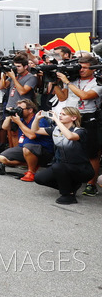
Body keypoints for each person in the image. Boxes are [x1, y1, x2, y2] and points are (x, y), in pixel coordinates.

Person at [53, 54, 102, 196]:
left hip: (88, 119)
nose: (81, 70)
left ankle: (91, 184)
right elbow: (62, 98)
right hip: (70, 119)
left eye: (85, 68)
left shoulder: (98, 83)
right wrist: (55, 83)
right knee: (68, 149)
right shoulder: (73, 79)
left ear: (93, 69)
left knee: (92, 153)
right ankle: (70, 179)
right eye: (80, 67)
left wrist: (67, 82)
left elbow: (85, 96)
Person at [34, 107, 95, 204]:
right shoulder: (56, 129)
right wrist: (36, 119)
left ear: (73, 118)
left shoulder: (80, 131)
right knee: (39, 178)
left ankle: (68, 195)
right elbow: (36, 130)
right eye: (60, 114)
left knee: (58, 166)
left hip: (81, 169)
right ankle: (70, 187)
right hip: (62, 167)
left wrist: (57, 121)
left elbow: (70, 136)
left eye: (64, 114)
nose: (60, 116)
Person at [0, 99, 54, 182]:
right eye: (17, 108)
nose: (18, 111)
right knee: (2, 158)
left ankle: (31, 172)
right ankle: (33, 163)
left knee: (27, 148)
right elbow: (5, 127)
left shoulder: (39, 119)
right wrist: (9, 115)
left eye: (21, 109)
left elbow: (32, 136)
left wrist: (19, 123)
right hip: (25, 148)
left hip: (43, 150)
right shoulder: (21, 119)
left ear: (30, 110)